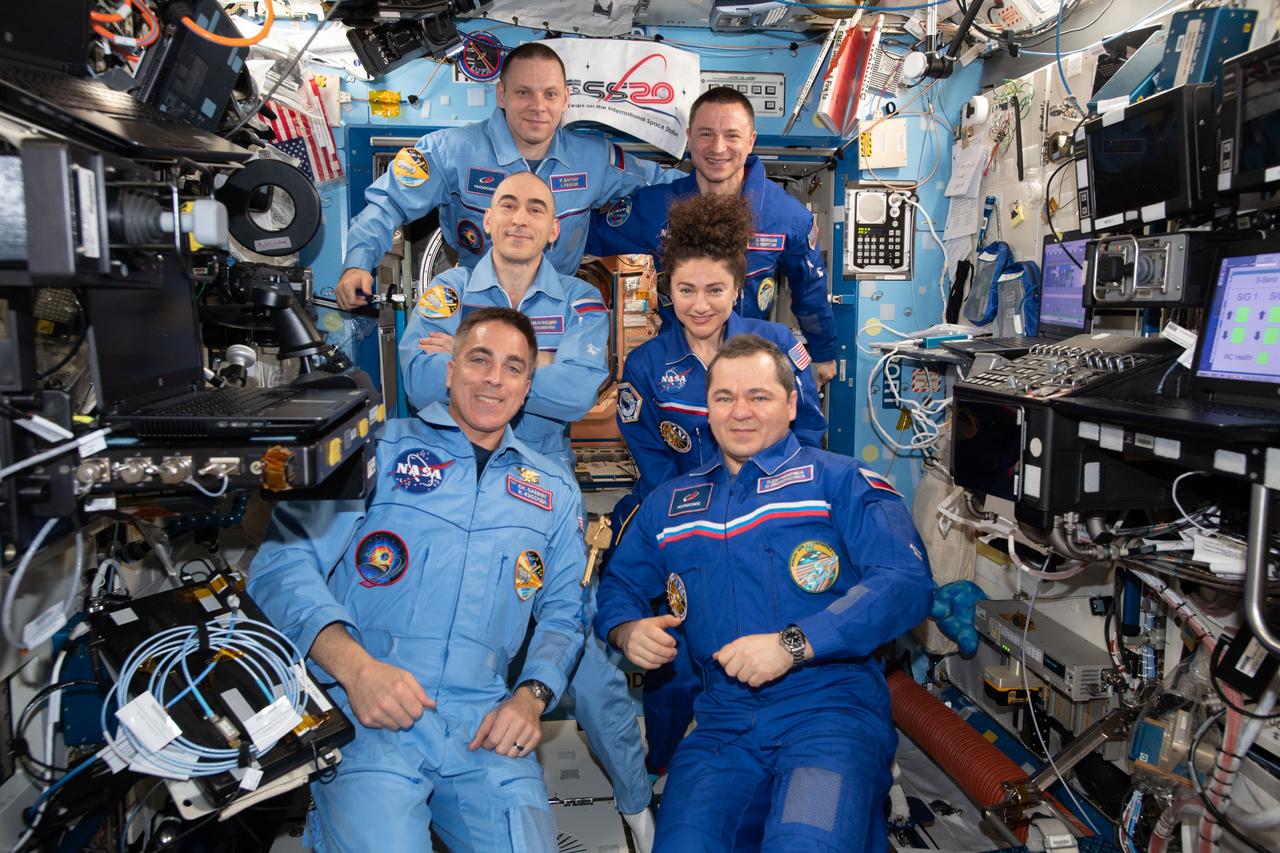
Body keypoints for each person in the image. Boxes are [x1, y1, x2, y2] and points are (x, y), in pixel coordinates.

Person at [247, 308, 588, 852]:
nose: (494, 378)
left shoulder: (553, 490)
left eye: (513, 368)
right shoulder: (375, 450)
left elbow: (565, 612)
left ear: (527, 388)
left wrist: (531, 696)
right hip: (373, 712)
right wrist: (356, 672)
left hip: (486, 720)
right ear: (450, 370)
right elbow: (281, 566)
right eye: (480, 359)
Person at [396, 172, 656, 847]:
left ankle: (636, 809)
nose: (520, 216)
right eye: (507, 202)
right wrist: (532, 368)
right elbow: (419, 382)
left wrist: (473, 363)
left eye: (537, 206)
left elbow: (576, 394)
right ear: (486, 215)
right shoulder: (445, 290)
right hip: (441, 495)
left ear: (556, 228)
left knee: (591, 671)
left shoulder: (580, 299)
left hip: (539, 502)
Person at [596, 335, 934, 852]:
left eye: (759, 396)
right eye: (724, 398)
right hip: (722, 729)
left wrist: (793, 643)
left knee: (807, 840)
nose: (740, 412)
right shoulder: (672, 505)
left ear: (792, 402)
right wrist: (627, 628)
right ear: (706, 409)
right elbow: (619, 582)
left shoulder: (839, 482)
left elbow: (904, 582)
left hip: (829, 722)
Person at [610, 192, 827, 776]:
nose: (700, 305)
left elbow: (808, 435)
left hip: (770, 529)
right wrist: (687, 517)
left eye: (714, 290)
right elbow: (651, 455)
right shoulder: (648, 366)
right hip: (685, 530)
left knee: (773, 647)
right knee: (676, 666)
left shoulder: (777, 347)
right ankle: (667, 774)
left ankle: (779, 767)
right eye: (686, 290)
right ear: (666, 290)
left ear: (738, 289)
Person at [335, 41, 672, 310]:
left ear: (566, 98)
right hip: (477, 304)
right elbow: (388, 203)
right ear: (502, 95)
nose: (538, 106)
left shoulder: (595, 159)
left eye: (550, 94)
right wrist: (358, 263)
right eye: (524, 92)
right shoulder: (450, 151)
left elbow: (663, 186)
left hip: (555, 309)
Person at [586, 86, 839, 385]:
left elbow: (809, 290)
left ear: (751, 141)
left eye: (732, 135)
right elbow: (585, 242)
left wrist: (823, 352)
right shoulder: (653, 207)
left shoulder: (786, 217)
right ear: (689, 138)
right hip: (676, 368)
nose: (718, 148)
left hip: (749, 366)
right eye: (706, 134)